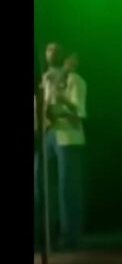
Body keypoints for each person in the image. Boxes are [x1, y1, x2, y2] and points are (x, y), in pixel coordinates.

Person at [35, 43, 87, 250]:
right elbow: (43, 109)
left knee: (68, 186)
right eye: (48, 49)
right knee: (39, 182)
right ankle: (45, 232)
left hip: (68, 134)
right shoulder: (45, 79)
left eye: (55, 49)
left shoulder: (75, 80)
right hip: (48, 134)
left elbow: (79, 115)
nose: (51, 52)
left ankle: (70, 235)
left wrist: (63, 100)